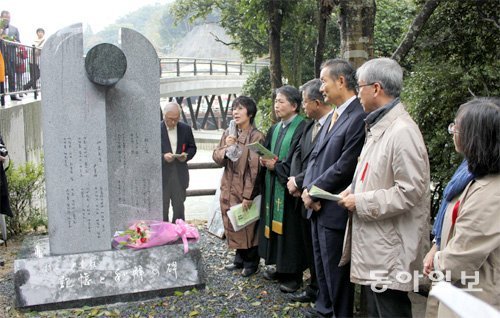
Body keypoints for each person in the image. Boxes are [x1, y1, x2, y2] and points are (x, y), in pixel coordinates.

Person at [338, 57, 431, 318]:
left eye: (360, 87)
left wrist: (361, 201)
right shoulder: (380, 125)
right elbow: (374, 174)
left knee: (390, 310)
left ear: (376, 88)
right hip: (377, 243)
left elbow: (409, 191)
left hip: (390, 248)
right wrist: (352, 190)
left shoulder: (401, 131)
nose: (357, 94)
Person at [300, 59, 366, 318]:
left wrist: (313, 190)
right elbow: (315, 158)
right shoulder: (333, 116)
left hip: (334, 206)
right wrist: (307, 189)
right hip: (317, 204)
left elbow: (346, 165)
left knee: (336, 272)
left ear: (341, 81)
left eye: (324, 81)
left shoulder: (357, 116)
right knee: (322, 266)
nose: (321, 88)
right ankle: (323, 309)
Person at [426, 97, 500, 315]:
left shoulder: (490, 193)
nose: (453, 132)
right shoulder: (471, 176)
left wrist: (437, 260)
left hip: (473, 298)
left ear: (476, 137)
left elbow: (461, 259)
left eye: (456, 127)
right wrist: (436, 247)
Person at [258, 85, 307, 293]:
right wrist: (263, 160)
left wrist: (276, 166)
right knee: (276, 228)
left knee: (291, 231)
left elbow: (298, 161)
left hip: (289, 190)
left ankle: (293, 275)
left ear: (294, 105)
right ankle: (280, 267)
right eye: (276, 101)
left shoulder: (302, 128)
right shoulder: (276, 128)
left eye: (281, 101)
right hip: (273, 185)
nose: (277, 106)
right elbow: (268, 151)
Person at [286, 79, 330, 304]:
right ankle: (313, 288)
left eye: (304, 102)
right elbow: (298, 156)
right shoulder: (310, 126)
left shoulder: (330, 125)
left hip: (318, 196)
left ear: (316, 102)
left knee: (323, 252)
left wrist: (301, 182)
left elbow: (324, 163)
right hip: (301, 193)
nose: (303, 106)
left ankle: (323, 295)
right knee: (310, 247)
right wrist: (294, 180)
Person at [212, 96, 265, 277]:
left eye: (240, 108)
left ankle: (252, 262)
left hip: (244, 188)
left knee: (248, 224)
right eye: (234, 108)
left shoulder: (256, 136)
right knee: (233, 222)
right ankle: (239, 258)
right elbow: (216, 157)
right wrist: (228, 148)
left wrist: (249, 195)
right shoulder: (229, 133)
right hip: (228, 187)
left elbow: (255, 169)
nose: (235, 112)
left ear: (249, 113)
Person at [161, 102, 197, 222]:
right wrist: (163, 157)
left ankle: (178, 233)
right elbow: (148, 153)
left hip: (179, 174)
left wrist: (186, 156)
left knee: (179, 209)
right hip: (162, 176)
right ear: (164, 116)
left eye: (176, 119)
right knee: (162, 209)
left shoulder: (185, 128)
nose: (173, 122)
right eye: (170, 119)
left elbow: (192, 147)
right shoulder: (155, 130)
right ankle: (163, 234)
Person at [0, 10, 21, 101]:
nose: (7, 20)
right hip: (1, 54)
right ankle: (1, 95)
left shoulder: (14, 29)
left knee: (12, 74)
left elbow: (18, 42)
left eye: (8, 18)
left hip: (10, 55)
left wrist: (12, 40)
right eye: (5, 18)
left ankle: (13, 94)